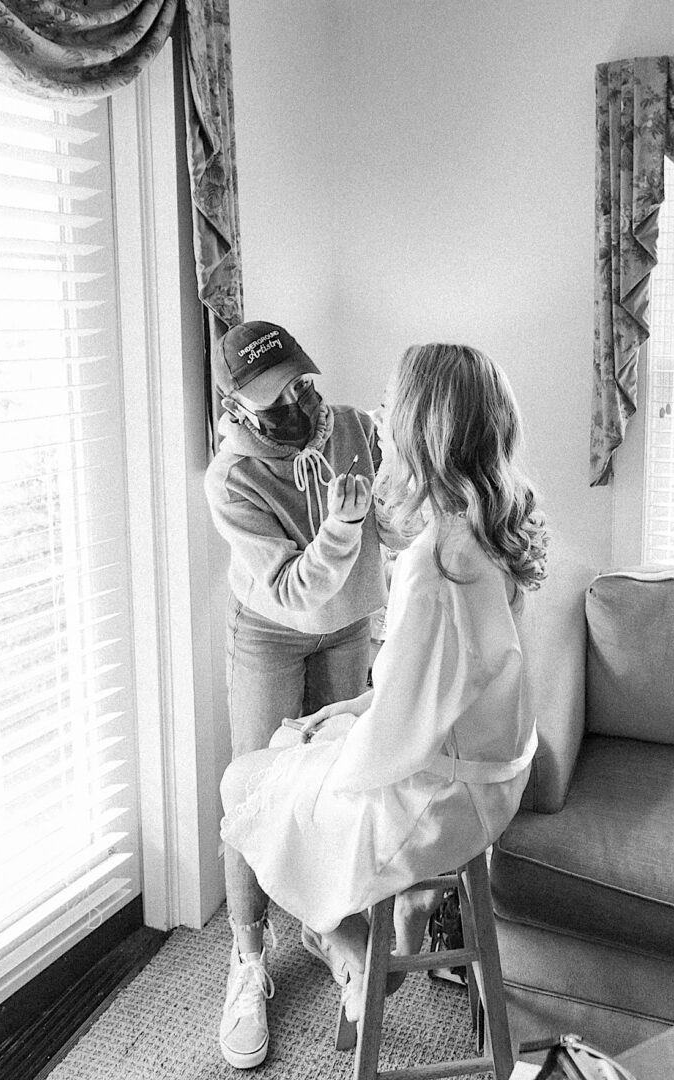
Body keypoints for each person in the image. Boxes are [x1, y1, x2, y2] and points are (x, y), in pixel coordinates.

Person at [217, 342, 548, 1062]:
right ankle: (382, 918)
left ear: (419, 428)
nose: (376, 416)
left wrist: (316, 742)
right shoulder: (489, 527)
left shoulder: (432, 571)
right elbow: (422, 698)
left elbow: (386, 748)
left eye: (392, 405)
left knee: (245, 780)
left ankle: (358, 947)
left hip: (441, 801)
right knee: (294, 748)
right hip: (493, 777)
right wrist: (338, 717)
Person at [205, 320, 404, 1069]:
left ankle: (326, 925)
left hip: (349, 626)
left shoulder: (352, 426)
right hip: (273, 631)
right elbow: (291, 589)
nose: (297, 402)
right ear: (238, 406)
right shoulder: (231, 478)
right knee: (252, 793)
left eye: (300, 383)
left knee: (336, 784)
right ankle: (248, 960)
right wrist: (343, 526)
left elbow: (395, 526)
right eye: (275, 396)